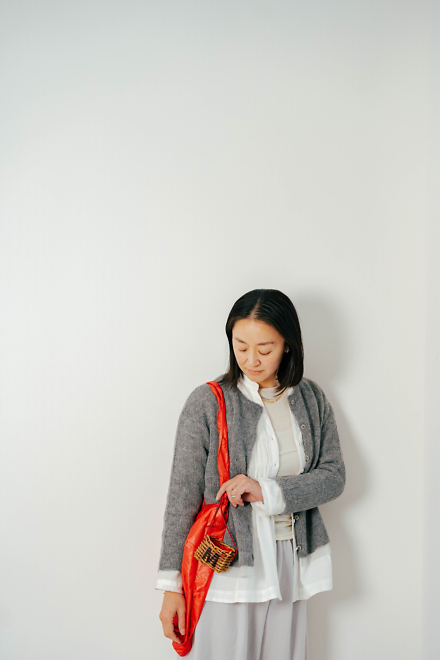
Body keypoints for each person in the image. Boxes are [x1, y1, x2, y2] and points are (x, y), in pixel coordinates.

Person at [156, 288, 346, 660]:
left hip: (289, 562)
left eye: (265, 348)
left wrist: (266, 490)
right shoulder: (207, 402)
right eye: (241, 346)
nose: (251, 359)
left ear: (288, 345)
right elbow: (181, 498)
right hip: (227, 564)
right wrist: (171, 587)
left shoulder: (311, 399)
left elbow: (333, 476)